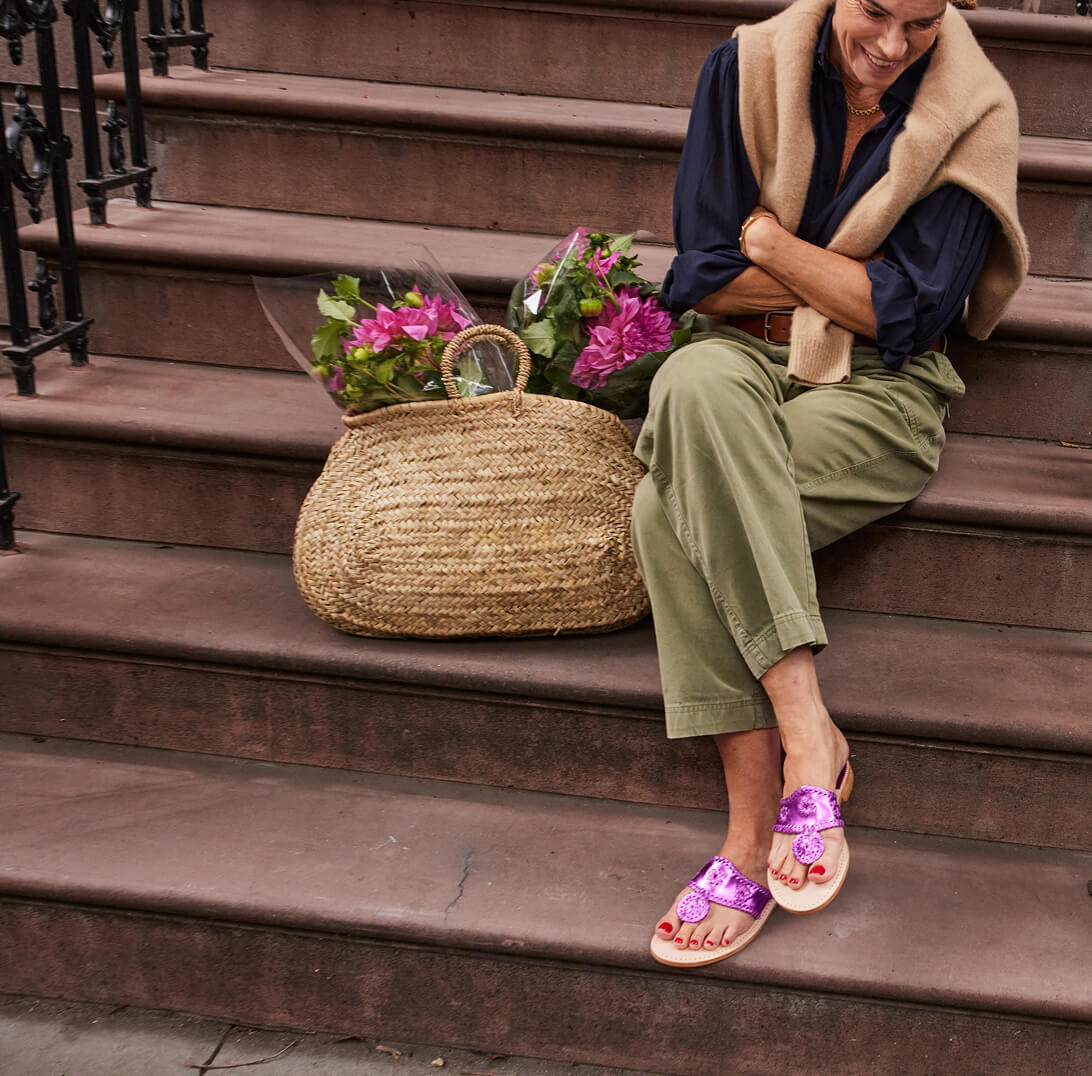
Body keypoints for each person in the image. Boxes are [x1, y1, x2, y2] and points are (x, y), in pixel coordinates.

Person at [634, 0, 1028, 967]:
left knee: (663, 508)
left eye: (923, 23)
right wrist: (841, 275)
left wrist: (768, 245)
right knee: (692, 373)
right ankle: (810, 732)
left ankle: (742, 835)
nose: (893, 47)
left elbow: (914, 309)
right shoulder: (748, 69)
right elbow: (697, 276)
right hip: (739, 364)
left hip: (883, 388)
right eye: (875, 13)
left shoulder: (975, 112)